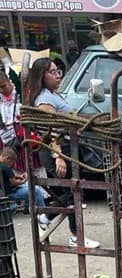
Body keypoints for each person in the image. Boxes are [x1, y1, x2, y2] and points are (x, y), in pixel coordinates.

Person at [25, 57, 99, 248]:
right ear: (42, 76)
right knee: (73, 191)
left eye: (58, 71)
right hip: (56, 150)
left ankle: (48, 218)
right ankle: (70, 232)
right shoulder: (44, 99)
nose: (58, 76)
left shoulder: (54, 94)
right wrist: (58, 157)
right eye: (53, 72)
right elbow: (50, 130)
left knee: (75, 190)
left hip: (68, 147)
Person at [0, 146, 49, 227]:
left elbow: (8, 179)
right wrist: (25, 179)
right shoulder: (5, 167)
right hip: (10, 193)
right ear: (7, 158)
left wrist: (18, 177)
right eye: (11, 162)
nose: (11, 165)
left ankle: (30, 211)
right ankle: (42, 214)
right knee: (35, 190)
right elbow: (14, 182)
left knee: (28, 191)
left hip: (5, 191)